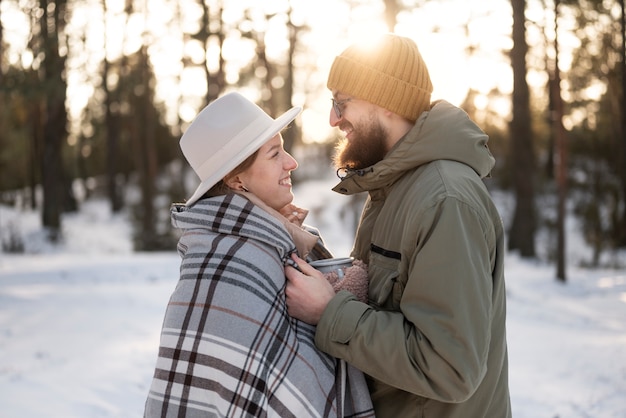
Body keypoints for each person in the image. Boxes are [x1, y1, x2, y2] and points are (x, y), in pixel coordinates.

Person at [284, 33, 512, 417]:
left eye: (341, 103)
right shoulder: (394, 189)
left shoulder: (444, 200)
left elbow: (449, 368)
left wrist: (329, 313)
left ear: (385, 100)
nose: (333, 119)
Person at [144, 92, 374, 417]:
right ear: (237, 180)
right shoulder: (237, 260)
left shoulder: (265, 241)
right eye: (274, 154)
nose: (291, 162)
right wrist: (343, 298)